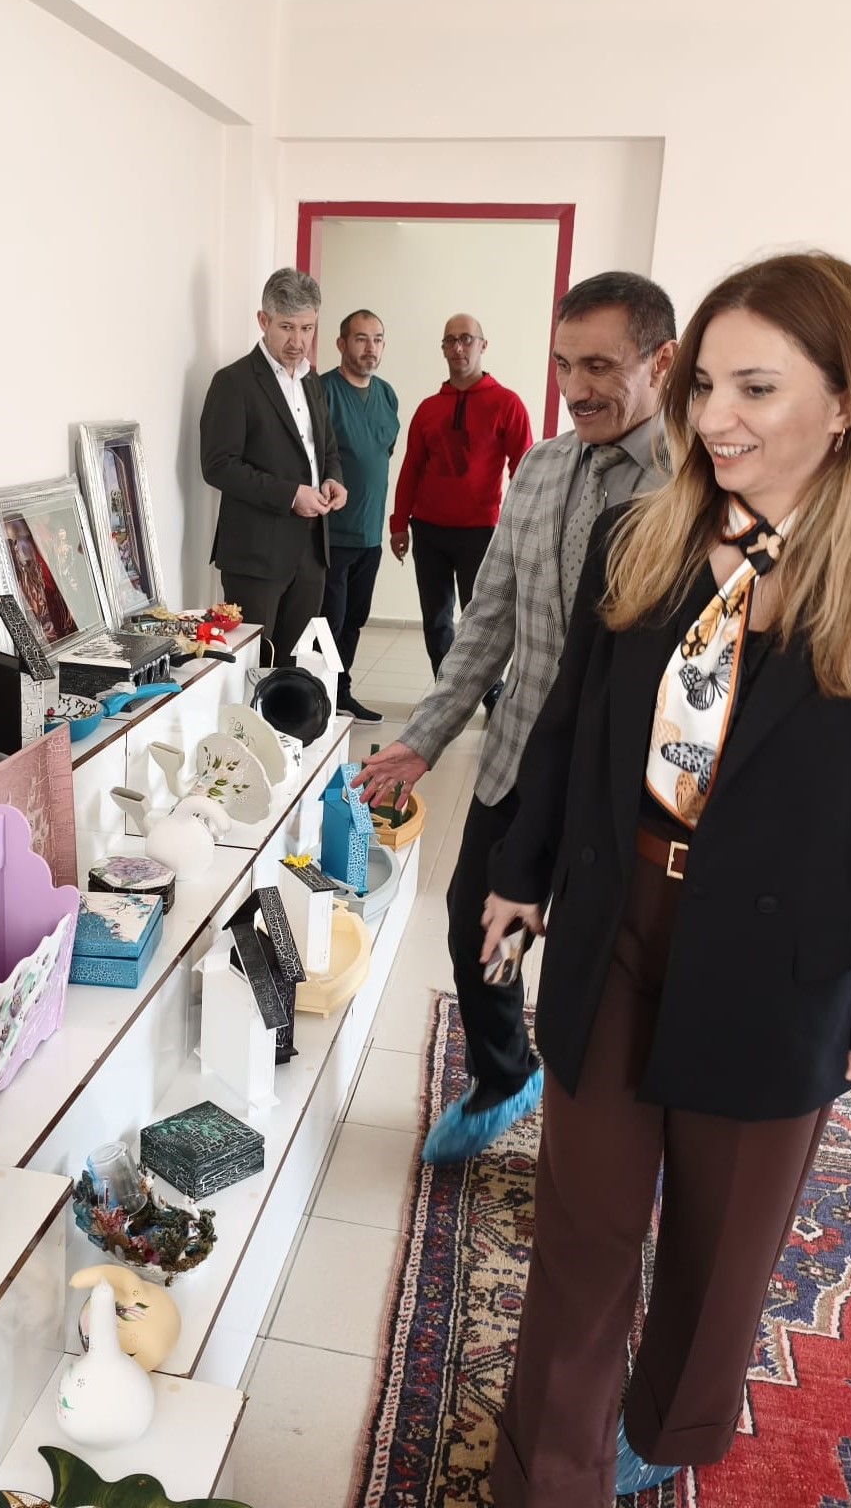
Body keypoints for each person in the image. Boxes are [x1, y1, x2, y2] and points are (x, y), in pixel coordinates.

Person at [476, 251, 851, 1506]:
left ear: (845, 403)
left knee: (721, 1248)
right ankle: (549, 1479)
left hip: (782, 963)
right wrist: (520, 870)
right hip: (621, 922)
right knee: (584, 1232)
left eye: (756, 388)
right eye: (704, 384)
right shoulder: (638, 539)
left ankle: (670, 1426)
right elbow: (567, 724)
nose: (713, 418)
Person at [356, 272, 678, 1164]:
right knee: (480, 928)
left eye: (601, 366)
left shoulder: (693, 486)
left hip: (629, 788)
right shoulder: (539, 470)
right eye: (564, 365)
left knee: (599, 972)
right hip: (521, 761)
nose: (576, 389)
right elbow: (490, 617)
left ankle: (604, 1140)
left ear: (663, 362)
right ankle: (506, 1073)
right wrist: (424, 737)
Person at [199, 268, 347, 665]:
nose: (298, 342)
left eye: (307, 328)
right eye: (286, 327)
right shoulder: (233, 382)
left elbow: (326, 449)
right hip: (255, 556)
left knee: (291, 671)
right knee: (252, 669)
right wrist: (290, 496)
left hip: (312, 552)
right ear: (263, 320)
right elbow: (218, 466)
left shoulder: (313, 381)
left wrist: (333, 478)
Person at [388, 314, 532, 703]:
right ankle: (447, 689)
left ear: (483, 345)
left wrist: (517, 527)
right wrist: (399, 524)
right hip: (428, 531)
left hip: (481, 533)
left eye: (466, 339)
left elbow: (523, 469)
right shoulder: (428, 409)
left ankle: (489, 690)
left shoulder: (507, 404)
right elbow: (410, 468)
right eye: (450, 340)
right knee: (436, 618)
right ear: (443, 349)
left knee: (482, 618)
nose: (458, 347)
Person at [321, 309, 400, 724]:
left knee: (355, 619)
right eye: (361, 338)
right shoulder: (323, 392)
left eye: (378, 339)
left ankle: (342, 691)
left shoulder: (387, 395)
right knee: (328, 622)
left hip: (370, 533)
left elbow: (380, 455)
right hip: (332, 533)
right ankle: (319, 694)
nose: (371, 348)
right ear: (341, 344)